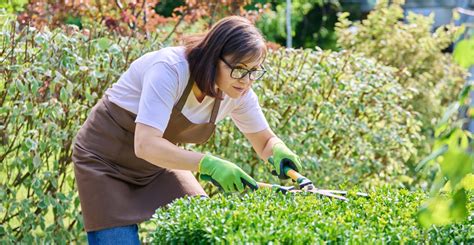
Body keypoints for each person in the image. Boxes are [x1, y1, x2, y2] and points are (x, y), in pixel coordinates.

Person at [72, 16, 302, 244]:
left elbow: (264, 142)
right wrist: (208, 163)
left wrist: (278, 149)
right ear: (214, 56)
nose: (247, 80)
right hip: (105, 162)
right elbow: (145, 144)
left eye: (254, 71)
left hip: (160, 162)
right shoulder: (170, 69)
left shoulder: (239, 93)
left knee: (204, 227)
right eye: (240, 69)